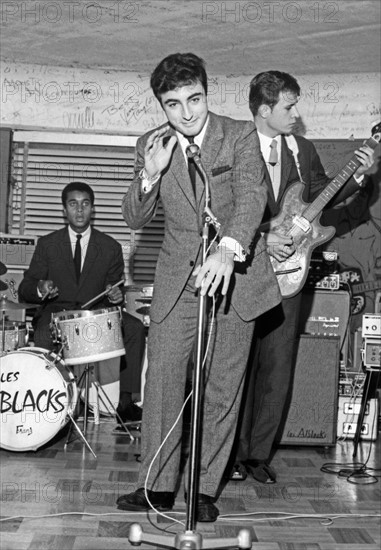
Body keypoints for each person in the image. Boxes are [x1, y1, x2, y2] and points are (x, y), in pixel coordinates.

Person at [116, 53, 281, 523]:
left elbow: (253, 196)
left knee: (222, 385)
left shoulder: (240, 135)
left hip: (237, 274)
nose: (187, 114)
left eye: (195, 99)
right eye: (173, 104)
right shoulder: (151, 143)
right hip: (177, 278)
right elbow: (134, 217)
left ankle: (204, 489)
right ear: (162, 106)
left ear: (207, 93)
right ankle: (160, 486)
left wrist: (227, 249)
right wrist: (149, 173)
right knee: (164, 376)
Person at [229, 70, 375, 484]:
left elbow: (324, 193)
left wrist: (359, 175)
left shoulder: (302, 149)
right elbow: (221, 209)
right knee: (239, 366)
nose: (296, 113)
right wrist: (262, 235)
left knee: (278, 367)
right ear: (263, 110)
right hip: (245, 271)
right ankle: (229, 456)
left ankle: (257, 456)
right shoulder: (237, 146)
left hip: (291, 274)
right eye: (288, 106)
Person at [18, 181, 146, 427]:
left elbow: (114, 288)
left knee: (134, 328)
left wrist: (116, 295)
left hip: (95, 314)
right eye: (73, 204)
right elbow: (26, 288)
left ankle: (126, 403)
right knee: (43, 333)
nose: (79, 210)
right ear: (64, 209)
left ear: (93, 209)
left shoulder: (110, 247)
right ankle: (48, 404)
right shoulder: (47, 244)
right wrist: (40, 288)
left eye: (85, 204)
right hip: (57, 313)